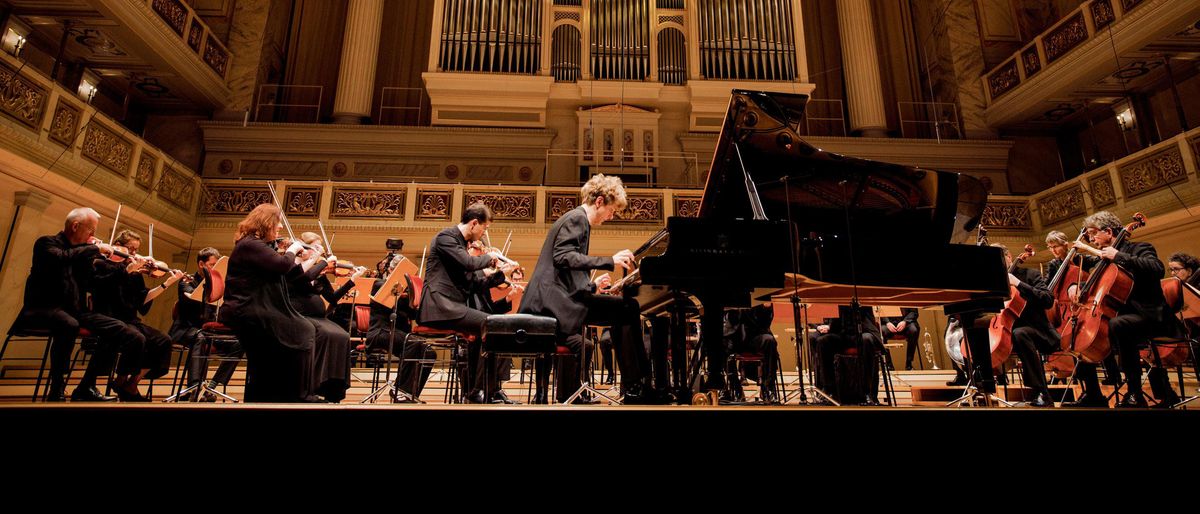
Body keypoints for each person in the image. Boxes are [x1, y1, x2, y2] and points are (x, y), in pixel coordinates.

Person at [520, 174, 659, 404]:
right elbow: (563, 257)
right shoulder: (578, 219)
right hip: (552, 305)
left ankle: (634, 385)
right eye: (612, 210)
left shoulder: (575, 219)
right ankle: (636, 386)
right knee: (628, 308)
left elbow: (565, 270)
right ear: (599, 201)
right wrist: (609, 260)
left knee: (622, 310)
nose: (611, 216)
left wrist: (592, 285)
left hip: (558, 299)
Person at [13, 207, 140, 401]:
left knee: (119, 328)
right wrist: (95, 248)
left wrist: (124, 270)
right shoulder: (46, 243)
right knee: (68, 324)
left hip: (75, 310)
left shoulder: (84, 254)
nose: (93, 236)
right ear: (75, 226)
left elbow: (95, 283)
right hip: (43, 307)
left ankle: (86, 385)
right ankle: (56, 385)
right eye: (91, 230)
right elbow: (62, 257)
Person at [416, 202, 518, 404]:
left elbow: (472, 284)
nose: (483, 233)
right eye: (484, 228)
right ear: (474, 223)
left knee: (488, 328)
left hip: (451, 306)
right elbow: (469, 263)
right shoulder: (446, 238)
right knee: (491, 324)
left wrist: (500, 275)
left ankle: (476, 391)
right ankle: (480, 391)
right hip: (439, 306)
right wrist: (492, 257)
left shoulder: (459, 244)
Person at [1068, 211, 1171, 407]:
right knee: (1078, 332)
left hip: (1150, 316)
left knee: (1120, 325)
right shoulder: (1103, 260)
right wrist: (1073, 286)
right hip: (1119, 315)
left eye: (1093, 233)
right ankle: (1093, 394)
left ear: (1108, 231)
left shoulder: (1140, 248)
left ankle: (1135, 392)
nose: (1090, 239)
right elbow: (1094, 285)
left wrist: (1119, 256)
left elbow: (1157, 268)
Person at [218, 204, 318, 403]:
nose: (280, 227)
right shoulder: (250, 244)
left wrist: (302, 258)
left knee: (304, 328)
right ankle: (297, 394)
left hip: (257, 307)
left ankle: (290, 392)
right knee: (303, 329)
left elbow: (290, 273)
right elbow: (281, 265)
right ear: (267, 223)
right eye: (278, 222)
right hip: (246, 309)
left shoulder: (258, 246)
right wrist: (291, 250)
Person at [89, 229, 182, 401]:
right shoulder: (102, 264)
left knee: (163, 340)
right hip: (109, 317)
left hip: (130, 319)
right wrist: (127, 270)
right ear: (118, 246)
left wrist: (167, 284)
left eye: (136, 250)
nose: (134, 254)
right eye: (131, 249)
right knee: (138, 337)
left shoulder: (135, 273)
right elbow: (101, 289)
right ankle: (121, 380)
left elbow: (142, 300)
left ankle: (132, 383)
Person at [169, 247, 243, 401]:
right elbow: (191, 299)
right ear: (201, 264)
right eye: (212, 265)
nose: (214, 269)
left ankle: (212, 386)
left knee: (240, 343)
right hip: (186, 329)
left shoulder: (219, 285)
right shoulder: (187, 281)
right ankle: (195, 387)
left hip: (209, 333)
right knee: (200, 337)